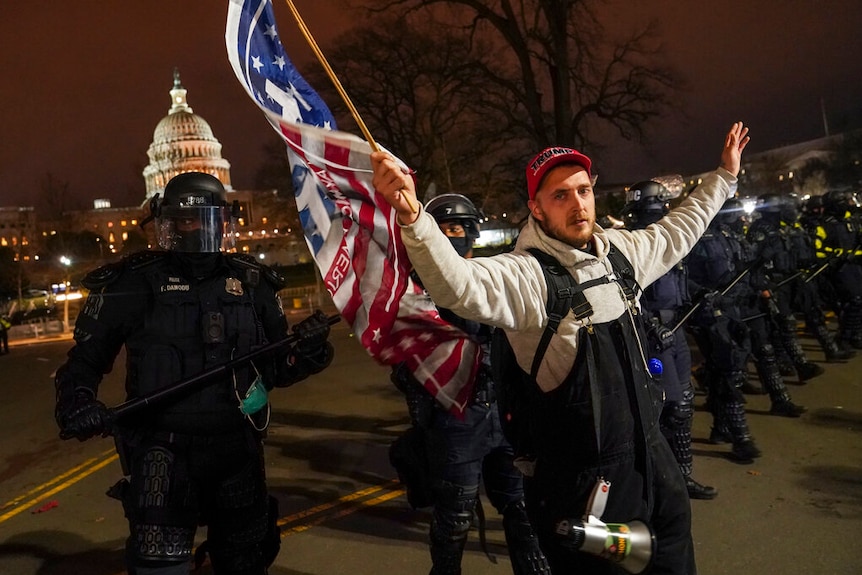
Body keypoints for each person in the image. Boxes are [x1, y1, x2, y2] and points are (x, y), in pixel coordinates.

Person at [372, 121, 752, 574]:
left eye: (584, 191)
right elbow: (460, 285)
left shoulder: (623, 255)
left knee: (673, 561)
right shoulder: (527, 277)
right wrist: (414, 216)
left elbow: (679, 228)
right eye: (560, 195)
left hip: (655, 463)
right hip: (588, 489)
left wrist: (725, 177)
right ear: (536, 207)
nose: (578, 204)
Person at [54, 172, 335, 575]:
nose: (193, 229)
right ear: (165, 222)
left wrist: (309, 349)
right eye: (183, 221)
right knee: (158, 563)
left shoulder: (252, 281)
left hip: (235, 449)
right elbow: (85, 360)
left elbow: (275, 370)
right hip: (162, 449)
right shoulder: (133, 282)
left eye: (203, 220)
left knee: (244, 560)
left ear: (223, 222)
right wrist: (78, 401)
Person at [391, 193, 549, 575]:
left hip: (506, 411)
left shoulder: (495, 276)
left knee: (522, 506)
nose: (453, 235)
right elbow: (403, 362)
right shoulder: (417, 293)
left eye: (460, 227)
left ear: (474, 231)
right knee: (455, 514)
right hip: (456, 416)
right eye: (445, 229)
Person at [621, 179, 717, 500]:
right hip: (651, 339)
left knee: (684, 405)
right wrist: (650, 325)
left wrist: (699, 296)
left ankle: (681, 476)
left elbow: (676, 286)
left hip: (675, 331)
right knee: (665, 409)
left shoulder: (669, 241)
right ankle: (662, 481)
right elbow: (625, 296)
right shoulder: (633, 244)